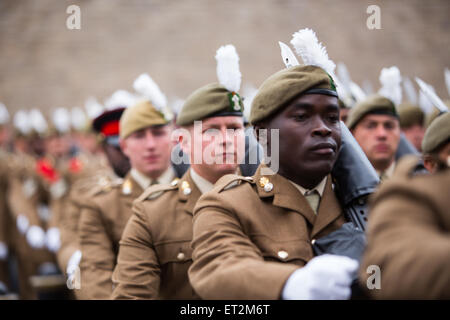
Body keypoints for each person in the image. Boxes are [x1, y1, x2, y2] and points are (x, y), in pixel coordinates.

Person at [188, 29, 358, 300]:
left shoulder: (372, 200)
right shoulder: (227, 205)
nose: (323, 129)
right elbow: (220, 269)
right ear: (262, 134)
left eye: (332, 117)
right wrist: (289, 284)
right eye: (302, 116)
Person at [111, 44, 247, 299]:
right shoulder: (152, 214)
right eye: (212, 131)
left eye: (234, 128)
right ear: (183, 142)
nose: (226, 139)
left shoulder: (270, 200)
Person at [77, 78, 183, 299]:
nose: (150, 144)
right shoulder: (102, 205)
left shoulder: (198, 193)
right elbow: (95, 275)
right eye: (139, 136)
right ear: (123, 146)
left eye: (158, 133)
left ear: (174, 139)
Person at [359, 154, 449, 299]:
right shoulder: (407, 194)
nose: (382, 134)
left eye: (389, 128)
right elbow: (378, 275)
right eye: (370, 128)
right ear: (430, 164)